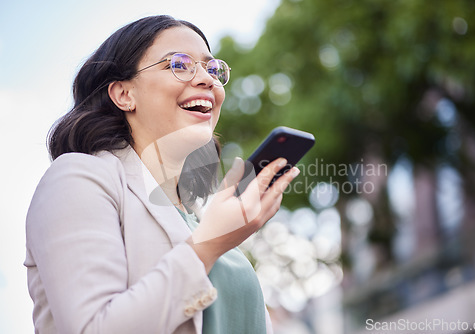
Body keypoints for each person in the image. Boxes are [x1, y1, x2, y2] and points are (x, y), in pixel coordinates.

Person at [24, 15, 300, 334]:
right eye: (179, 64)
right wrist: (208, 246)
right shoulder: (77, 178)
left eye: (213, 69)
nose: (207, 79)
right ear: (124, 94)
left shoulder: (196, 216)